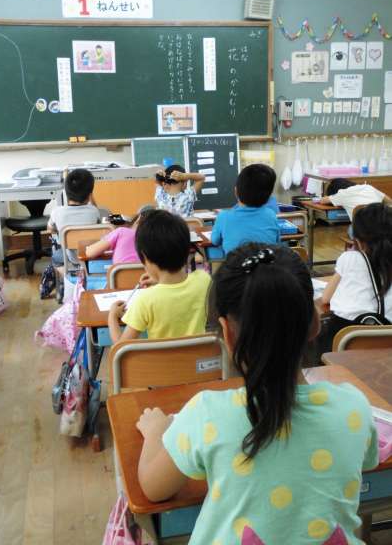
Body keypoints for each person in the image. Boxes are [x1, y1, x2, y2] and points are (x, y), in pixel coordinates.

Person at [136, 244, 378, 544]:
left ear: (227, 334)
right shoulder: (353, 407)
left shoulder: (206, 413)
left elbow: (153, 488)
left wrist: (155, 432)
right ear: (315, 323)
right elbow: (367, 462)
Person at [108, 209, 210, 343]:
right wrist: (158, 280)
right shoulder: (204, 280)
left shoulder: (145, 300)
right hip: (198, 356)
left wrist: (112, 317)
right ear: (187, 250)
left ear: (145, 258)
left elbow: (121, 347)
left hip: (159, 358)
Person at [321, 202, 392, 346]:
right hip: (387, 337)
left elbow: (326, 298)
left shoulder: (350, 258)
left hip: (345, 334)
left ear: (358, 239)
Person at [211, 163, 280, 255]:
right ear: (269, 196)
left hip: (235, 264)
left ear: (236, 191)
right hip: (266, 263)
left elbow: (215, 241)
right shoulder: (271, 215)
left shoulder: (223, 217)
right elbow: (276, 242)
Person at [48, 168, 100, 267]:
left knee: (55, 257)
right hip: (89, 255)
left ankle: (64, 274)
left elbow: (50, 229)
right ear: (89, 195)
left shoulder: (56, 212)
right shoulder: (94, 211)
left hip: (69, 257)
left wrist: (59, 230)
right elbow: (96, 212)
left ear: (66, 193)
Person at [85, 206, 154, 264]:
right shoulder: (157, 240)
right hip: (144, 275)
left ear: (138, 220)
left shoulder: (121, 232)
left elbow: (90, 253)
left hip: (120, 275)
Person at [320, 178, 391, 221]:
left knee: (350, 230)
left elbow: (322, 201)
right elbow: (389, 201)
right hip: (383, 223)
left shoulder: (342, 193)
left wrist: (329, 196)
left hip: (364, 231)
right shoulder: (368, 187)